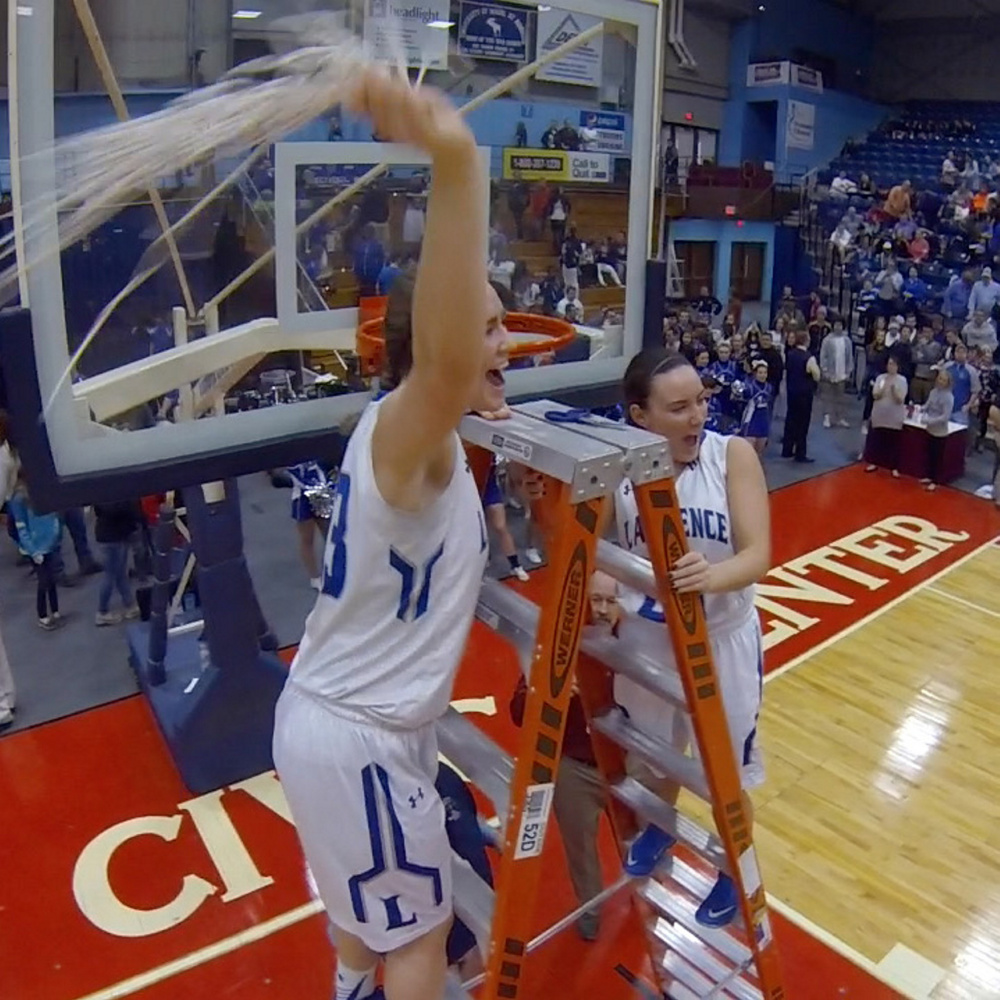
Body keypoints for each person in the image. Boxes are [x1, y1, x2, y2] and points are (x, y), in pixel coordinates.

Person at [272, 70, 509, 1000]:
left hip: (351, 725)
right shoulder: (421, 433)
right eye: (486, 328)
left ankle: (347, 983)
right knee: (425, 933)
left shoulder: (410, 440)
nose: (502, 346)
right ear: (435, 344)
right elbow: (447, 365)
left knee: (366, 916)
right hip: (358, 732)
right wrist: (458, 163)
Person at [610, 348, 770, 929]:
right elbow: (604, 547)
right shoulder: (619, 466)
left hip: (720, 637)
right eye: (677, 407)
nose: (697, 416)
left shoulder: (732, 456)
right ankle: (658, 827)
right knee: (653, 755)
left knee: (723, 773)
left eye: (701, 400)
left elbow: (758, 554)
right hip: (648, 638)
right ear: (639, 416)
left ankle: (737, 868)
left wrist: (710, 576)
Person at [509, 570, 617, 942]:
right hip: (574, 769)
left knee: (642, 838)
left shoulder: (637, 643)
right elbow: (518, 712)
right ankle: (591, 912)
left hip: (626, 763)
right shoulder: (556, 646)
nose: (602, 609)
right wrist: (546, 693)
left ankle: (650, 896)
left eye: (610, 601)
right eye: (595, 600)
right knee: (581, 852)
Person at [8, 475, 63, 630]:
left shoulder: (43, 492)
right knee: (44, 581)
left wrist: (56, 533)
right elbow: (21, 528)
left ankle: (55, 610)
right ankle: (42, 615)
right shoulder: (19, 499)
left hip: (49, 542)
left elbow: (53, 515)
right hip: (35, 547)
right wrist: (32, 551)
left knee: (52, 579)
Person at [93, 500, 143, 626]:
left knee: (120, 573)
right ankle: (102, 612)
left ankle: (130, 605)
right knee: (110, 575)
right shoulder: (116, 495)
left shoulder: (99, 491)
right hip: (114, 537)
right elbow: (122, 509)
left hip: (108, 534)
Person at [288, 461, 333, 591]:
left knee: (330, 535)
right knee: (307, 537)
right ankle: (315, 577)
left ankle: (334, 568)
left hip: (322, 490)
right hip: (302, 495)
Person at [482, 462, 529, 582]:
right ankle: (480, 561)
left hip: (489, 485)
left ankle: (515, 565)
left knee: (500, 526)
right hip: (469, 485)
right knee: (472, 527)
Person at [782, 330, 821, 463]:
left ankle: (786, 450)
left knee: (790, 420)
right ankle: (800, 453)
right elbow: (816, 375)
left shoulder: (790, 354)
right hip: (804, 394)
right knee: (802, 424)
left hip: (791, 391)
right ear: (806, 341)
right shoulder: (808, 357)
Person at [864, 356, 907, 478]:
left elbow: (900, 399)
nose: (891, 366)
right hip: (879, 414)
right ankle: (874, 462)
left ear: (898, 366)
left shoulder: (902, 380)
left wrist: (894, 390)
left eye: (893, 364)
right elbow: (875, 394)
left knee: (894, 442)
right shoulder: (880, 378)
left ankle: (894, 467)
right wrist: (882, 388)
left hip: (894, 416)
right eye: (889, 364)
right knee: (877, 440)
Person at [922, 368, 955, 492]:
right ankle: (929, 476)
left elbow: (945, 417)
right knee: (929, 455)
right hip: (930, 429)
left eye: (944, 380)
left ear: (948, 382)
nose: (941, 381)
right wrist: (921, 409)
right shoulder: (933, 392)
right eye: (940, 378)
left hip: (940, 432)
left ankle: (935, 481)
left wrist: (930, 420)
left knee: (937, 458)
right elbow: (927, 405)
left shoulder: (949, 397)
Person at [740, 361, 773, 454]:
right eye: (760, 373)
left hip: (763, 422)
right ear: (755, 374)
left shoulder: (769, 387)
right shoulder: (750, 387)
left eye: (765, 373)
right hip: (751, 422)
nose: (762, 375)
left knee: (759, 454)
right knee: (749, 453)